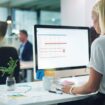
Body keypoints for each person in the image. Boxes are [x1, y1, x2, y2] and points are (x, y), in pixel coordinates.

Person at [59, 0, 105, 105]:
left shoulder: (100, 43)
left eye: (93, 19)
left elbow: (91, 87)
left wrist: (71, 89)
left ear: (101, 19)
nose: (93, 24)